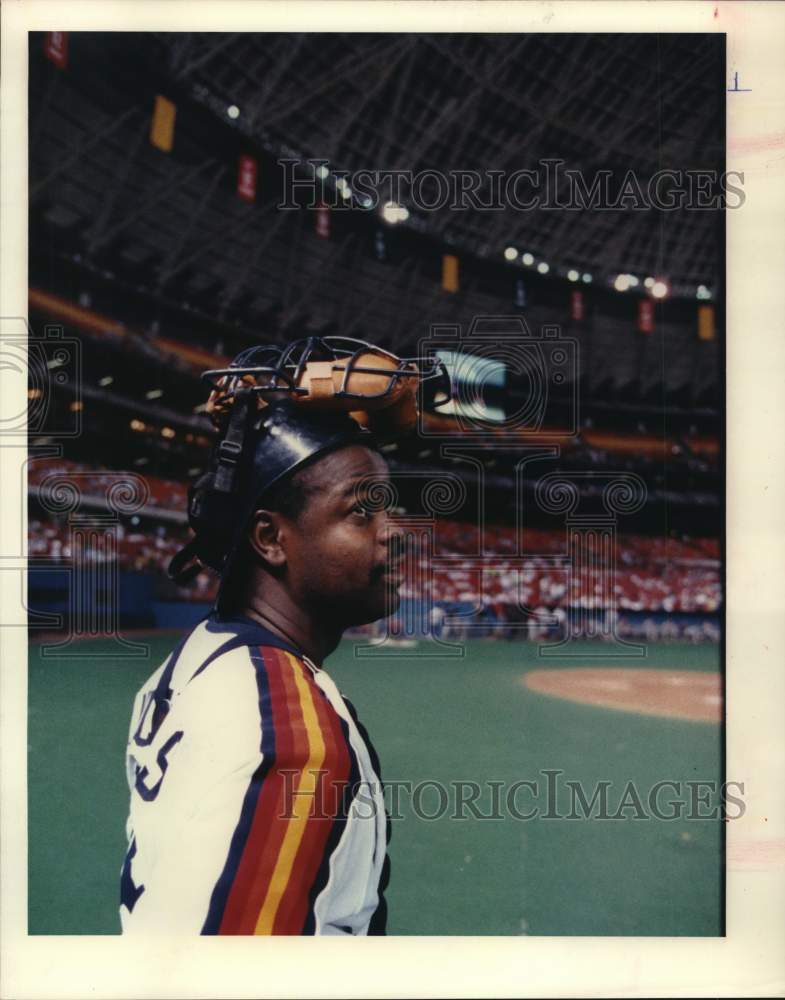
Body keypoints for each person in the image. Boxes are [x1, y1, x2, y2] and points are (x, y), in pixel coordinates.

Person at [120, 396, 402, 935]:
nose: (394, 532)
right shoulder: (291, 734)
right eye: (361, 512)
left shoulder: (201, 652)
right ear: (271, 539)